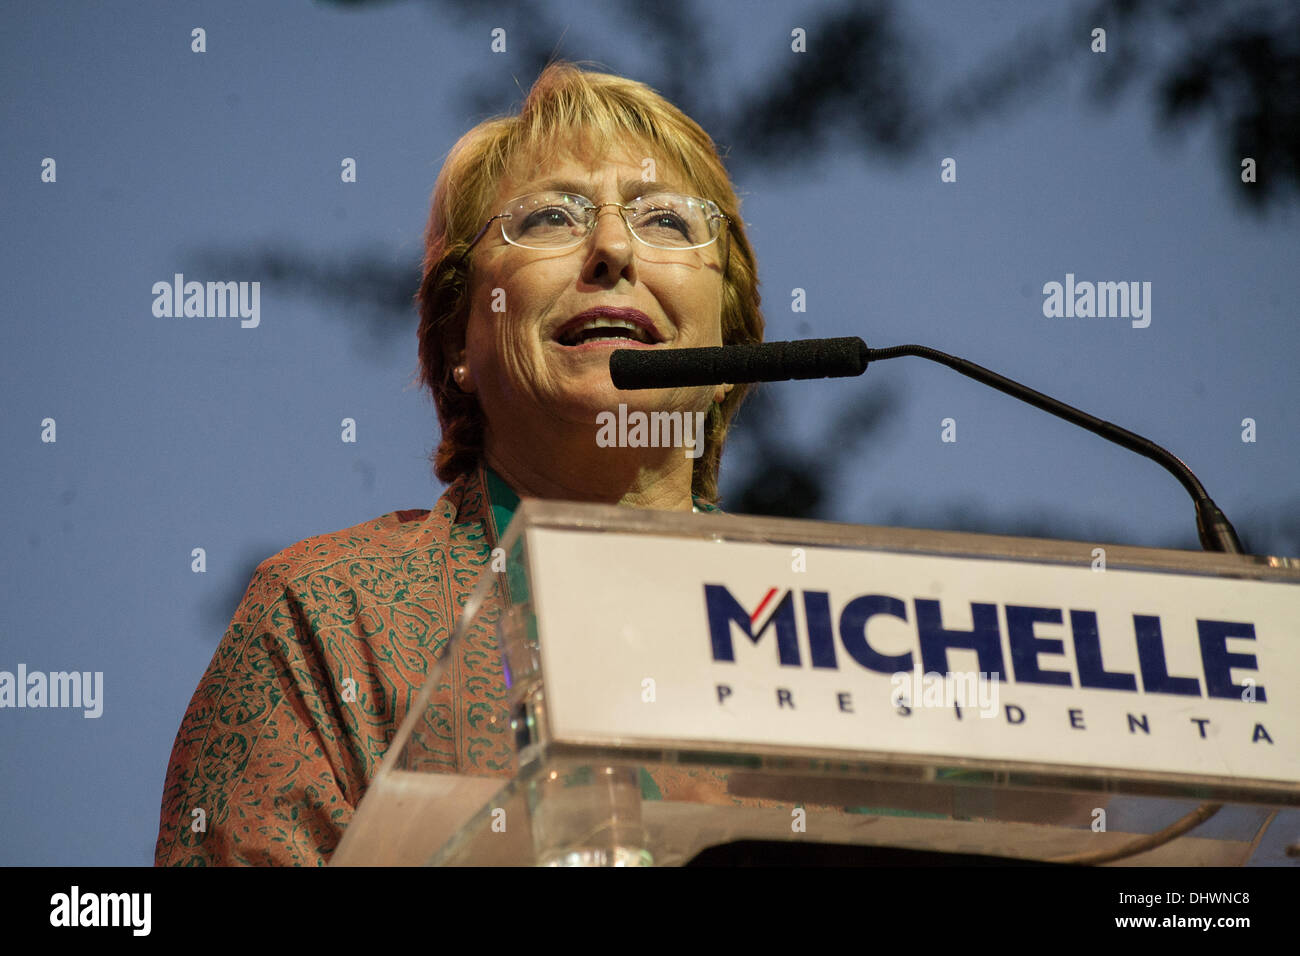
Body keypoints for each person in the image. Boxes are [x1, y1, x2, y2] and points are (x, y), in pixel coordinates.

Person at [153, 60, 764, 866]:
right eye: (551, 218)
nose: (614, 246)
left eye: (669, 223)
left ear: (729, 351)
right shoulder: (327, 619)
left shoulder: (850, 626)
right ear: (455, 344)